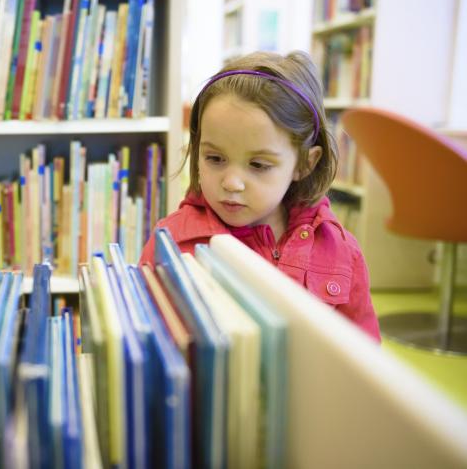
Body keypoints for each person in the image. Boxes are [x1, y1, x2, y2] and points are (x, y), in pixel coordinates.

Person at [139, 51, 380, 342]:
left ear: (305, 163)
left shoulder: (341, 252)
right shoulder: (172, 242)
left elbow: (363, 356)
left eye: (258, 165)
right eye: (215, 158)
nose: (232, 183)